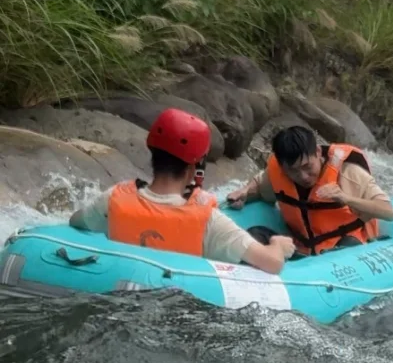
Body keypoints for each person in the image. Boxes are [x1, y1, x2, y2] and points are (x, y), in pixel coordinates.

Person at [70, 109, 295, 273]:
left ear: (153, 153)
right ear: (193, 167)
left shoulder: (113, 198)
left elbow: (76, 222)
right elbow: (271, 263)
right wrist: (277, 245)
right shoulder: (209, 220)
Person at [227, 124, 393, 257]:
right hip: (302, 252)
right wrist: (244, 192)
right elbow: (259, 185)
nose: (303, 176)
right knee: (254, 235)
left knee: (348, 245)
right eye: (293, 171)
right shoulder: (279, 174)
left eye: (307, 166)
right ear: (282, 166)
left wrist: (346, 198)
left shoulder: (349, 173)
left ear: (318, 152)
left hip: (345, 248)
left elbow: (388, 212)